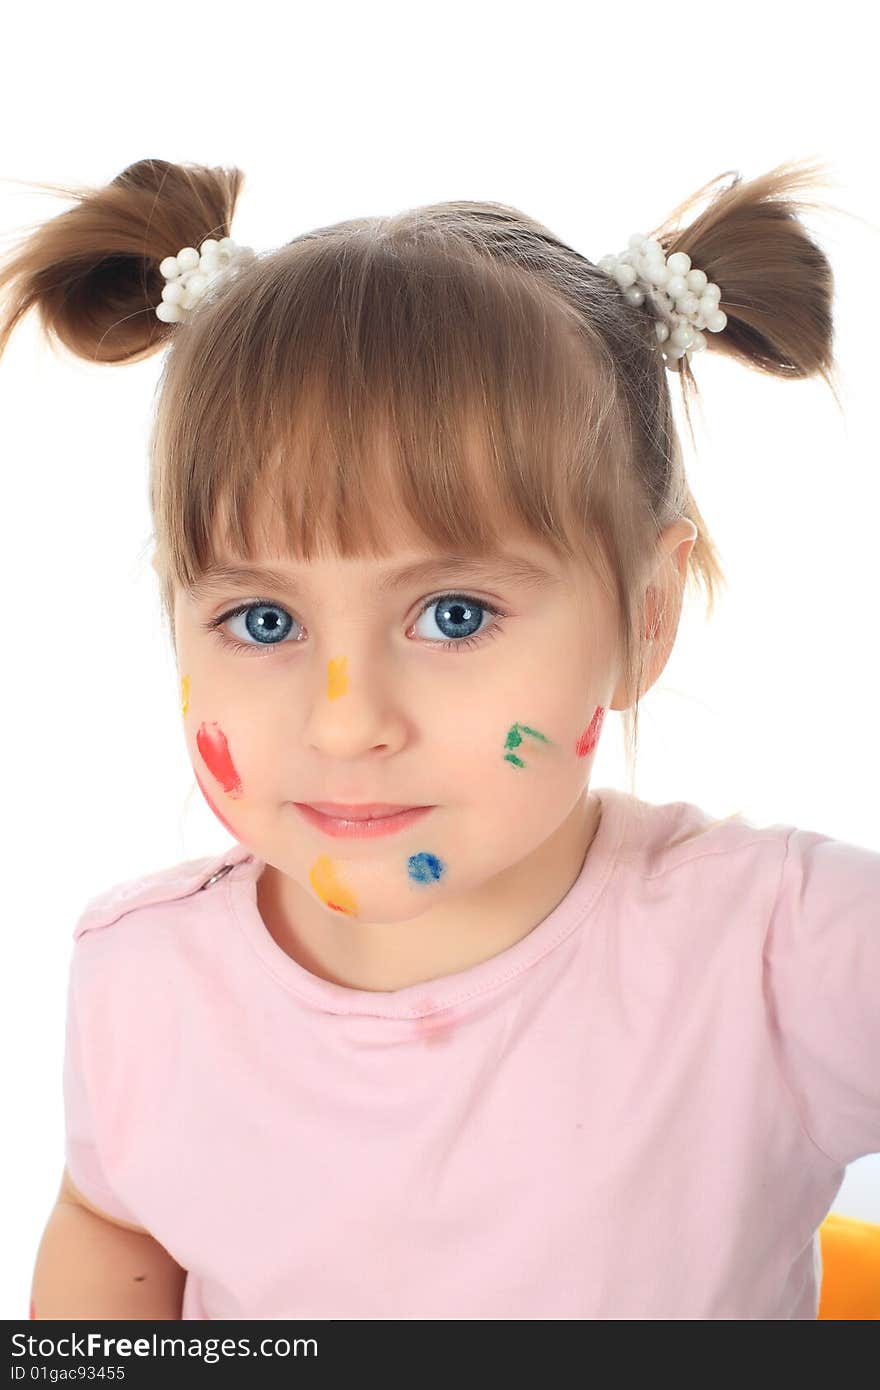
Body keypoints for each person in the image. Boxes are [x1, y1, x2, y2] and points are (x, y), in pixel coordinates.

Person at [3, 157, 877, 1320]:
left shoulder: (783, 952)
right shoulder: (143, 976)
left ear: (644, 618)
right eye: (262, 620)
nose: (347, 718)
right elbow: (116, 1220)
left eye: (454, 615)